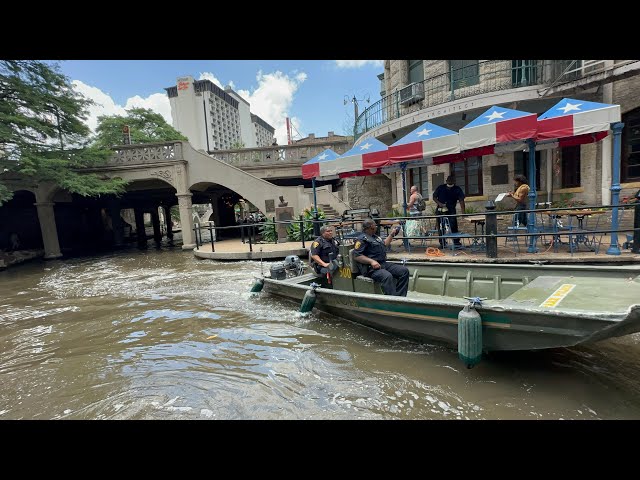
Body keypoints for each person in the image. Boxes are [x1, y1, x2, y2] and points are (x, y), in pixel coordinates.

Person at [353, 218, 409, 296]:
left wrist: (392, 234)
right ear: (371, 227)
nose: (376, 227)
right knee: (387, 276)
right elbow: (357, 256)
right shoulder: (361, 239)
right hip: (371, 269)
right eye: (375, 225)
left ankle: (400, 297)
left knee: (404, 271)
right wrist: (371, 261)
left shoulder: (375, 237)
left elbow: (385, 244)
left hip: (382, 264)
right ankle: (392, 300)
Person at [432, 175, 465, 248]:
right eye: (448, 180)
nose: (450, 181)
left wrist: (463, 213)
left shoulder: (457, 189)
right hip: (440, 209)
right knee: (440, 227)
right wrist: (439, 203)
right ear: (446, 181)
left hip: (451, 209)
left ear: (454, 181)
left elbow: (461, 200)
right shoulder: (441, 187)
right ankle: (442, 243)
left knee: (453, 225)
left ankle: (456, 243)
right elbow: (434, 197)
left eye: (452, 180)